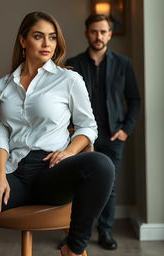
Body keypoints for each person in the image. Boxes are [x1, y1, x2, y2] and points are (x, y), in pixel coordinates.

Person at [0, 11, 114, 256]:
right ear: (23, 40)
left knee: (101, 164)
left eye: (52, 38)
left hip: (53, 171)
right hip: (15, 173)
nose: (47, 44)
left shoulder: (69, 79)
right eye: (39, 36)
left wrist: (68, 152)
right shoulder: (3, 85)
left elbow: (88, 126)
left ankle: (73, 248)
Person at [65, 14, 141, 250]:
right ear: (87, 33)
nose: (98, 36)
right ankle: (76, 235)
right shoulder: (73, 64)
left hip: (111, 136)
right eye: (94, 31)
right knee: (76, 185)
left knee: (109, 186)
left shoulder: (123, 64)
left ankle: (105, 231)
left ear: (110, 34)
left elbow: (134, 99)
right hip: (79, 137)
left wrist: (125, 130)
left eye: (103, 32)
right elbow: (62, 101)